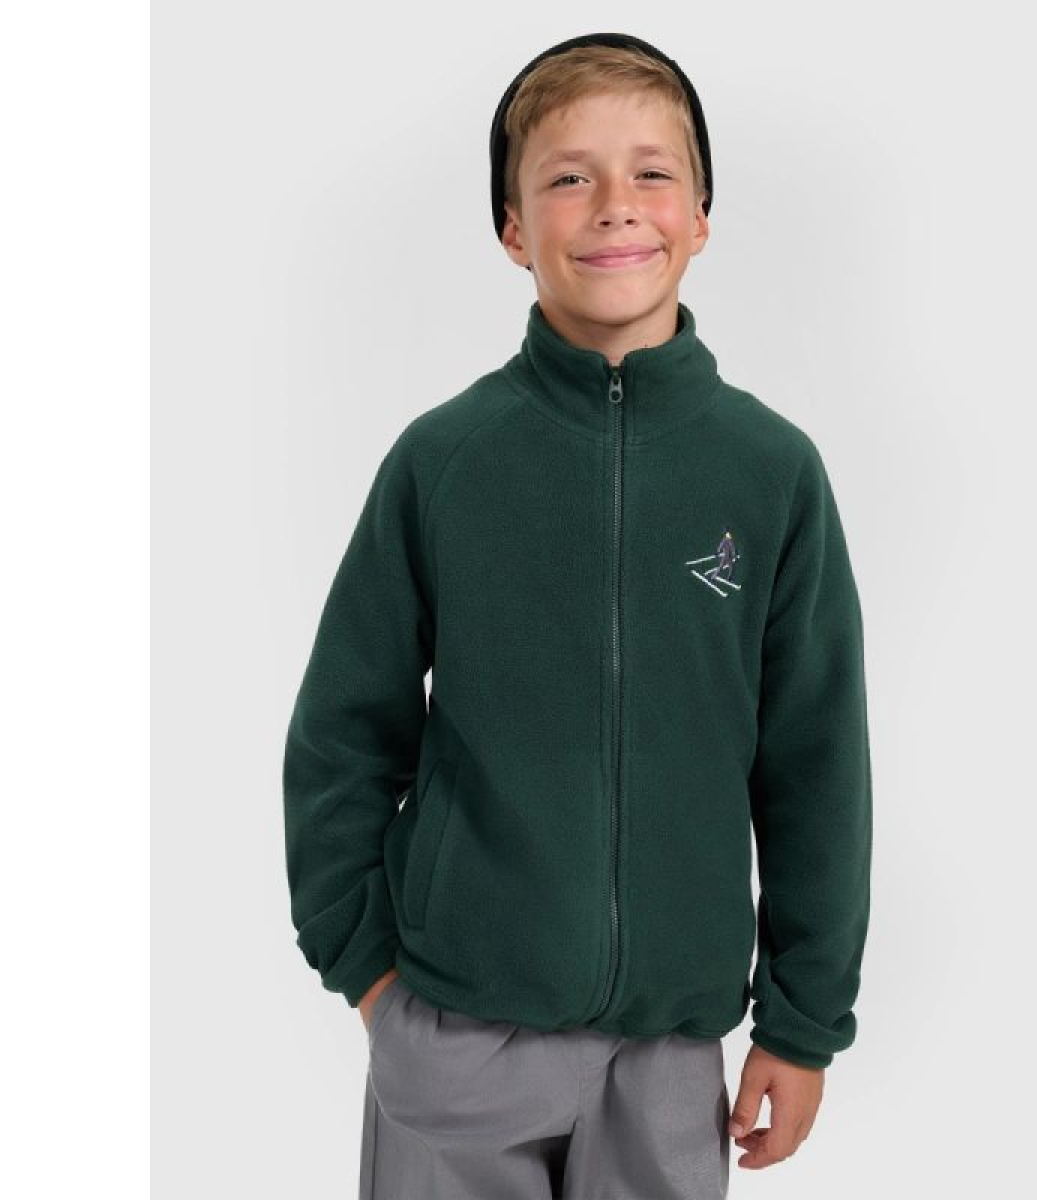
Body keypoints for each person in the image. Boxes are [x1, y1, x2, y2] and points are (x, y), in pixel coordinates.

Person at [282, 30, 873, 1199]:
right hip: (455, 1030)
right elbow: (343, 738)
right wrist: (372, 978)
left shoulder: (771, 473)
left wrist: (803, 1023)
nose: (616, 205)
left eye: (653, 172)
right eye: (568, 176)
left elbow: (816, 767)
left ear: (701, 217)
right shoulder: (444, 462)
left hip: (669, 1053)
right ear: (513, 228)